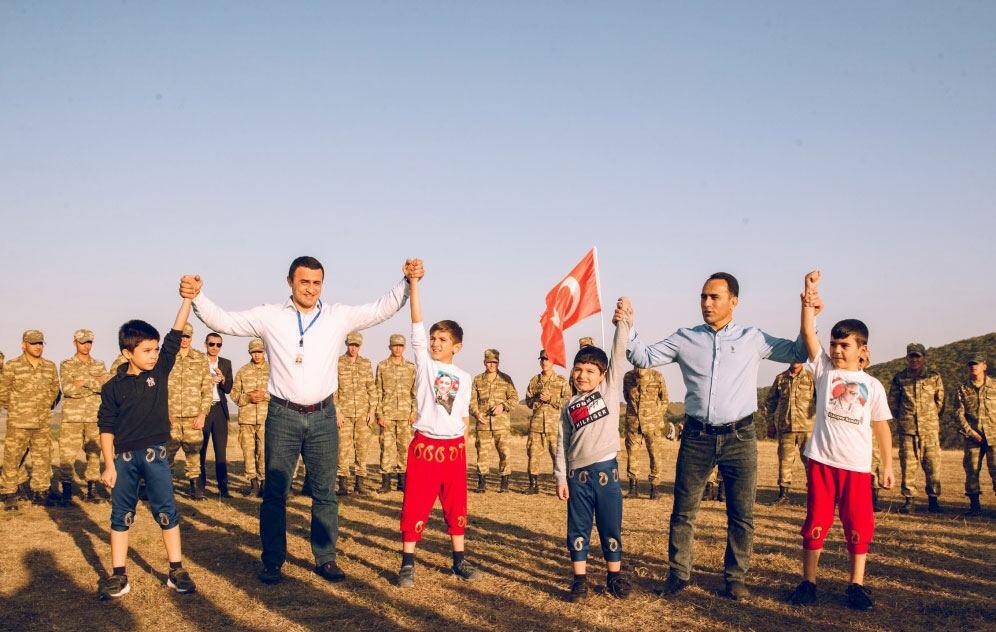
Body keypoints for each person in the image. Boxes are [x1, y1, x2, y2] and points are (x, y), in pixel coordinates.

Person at [182, 255, 413, 585]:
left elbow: (380, 309)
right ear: (290, 281)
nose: (311, 288)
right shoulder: (270, 317)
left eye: (317, 283)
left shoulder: (337, 317)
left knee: (325, 493)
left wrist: (406, 283)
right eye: (304, 281)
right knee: (276, 494)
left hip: (322, 417)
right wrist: (197, 296)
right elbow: (224, 321)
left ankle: (325, 558)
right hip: (283, 415)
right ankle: (273, 560)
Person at [624, 272, 809, 600]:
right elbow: (643, 357)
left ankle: (735, 577)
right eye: (703, 297)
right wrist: (628, 325)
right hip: (696, 437)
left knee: (741, 513)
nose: (707, 303)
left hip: (740, 437)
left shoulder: (753, 338)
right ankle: (678, 574)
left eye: (715, 297)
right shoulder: (685, 338)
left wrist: (808, 311)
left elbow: (798, 351)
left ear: (733, 302)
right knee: (684, 510)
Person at [786, 271, 894, 611]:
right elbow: (807, 332)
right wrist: (809, 297)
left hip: (857, 468)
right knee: (816, 522)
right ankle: (808, 582)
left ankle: (856, 585)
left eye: (844, 345)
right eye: (833, 343)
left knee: (858, 526)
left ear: (862, 349)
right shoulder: (824, 370)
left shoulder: (873, 386)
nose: (836, 349)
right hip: (821, 461)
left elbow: (881, 427)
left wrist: (887, 465)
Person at [96, 296, 198, 599]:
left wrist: (187, 300)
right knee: (121, 516)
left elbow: (175, 333)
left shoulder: (159, 370)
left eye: (155, 350)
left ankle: (176, 569)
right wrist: (109, 464)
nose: (154, 355)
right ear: (128, 353)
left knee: (166, 511)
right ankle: (118, 575)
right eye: (146, 350)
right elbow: (106, 427)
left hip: (156, 455)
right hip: (124, 460)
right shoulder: (112, 387)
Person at [396, 260, 481, 587]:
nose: (434, 343)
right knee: (415, 503)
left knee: (456, 505)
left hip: (453, 451)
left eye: (442, 340)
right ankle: (407, 563)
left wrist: (462, 439)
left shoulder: (466, 377)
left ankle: (459, 561)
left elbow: (461, 414)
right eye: (433, 338)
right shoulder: (425, 366)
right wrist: (414, 284)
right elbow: (416, 323)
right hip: (425, 448)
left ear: (456, 347)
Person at [555, 299, 632, 602]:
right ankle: (580, 580)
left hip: (606, 475)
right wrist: (561, 477)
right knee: (578, 529)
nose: (583, 375)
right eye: (578, 369)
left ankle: (614, 576)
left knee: (610, 526)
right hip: (578, 478)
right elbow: (562, 443)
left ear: (602, 375)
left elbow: (618, 353)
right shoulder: (568, 405)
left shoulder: (609, 390)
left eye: (590, 371)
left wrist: (622, 322)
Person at [0, 330, 61, 509]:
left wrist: (43, 406)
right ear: (23, 344)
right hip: (18, 422)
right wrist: (17, 408)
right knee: (12, 457)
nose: (38, 347)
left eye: (40, 343)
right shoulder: (12, 366)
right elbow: (2, 392)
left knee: (43, 457)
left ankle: (40, 491)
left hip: (42, 421)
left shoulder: (49, 366)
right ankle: (9, 493)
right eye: (34, 343)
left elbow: (55, 390)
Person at [889, 343, 945, 513]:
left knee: (933, 465)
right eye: (911, 356)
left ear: (924, 358)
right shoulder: (899, 378)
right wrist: (905, 419)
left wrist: (931, 419)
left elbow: (940, 402)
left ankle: (933, 501)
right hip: (908, 430)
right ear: (907, 358)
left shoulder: (934, 377)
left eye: (918, 356)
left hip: (929, 429)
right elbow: (893, 403)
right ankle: (909, 500)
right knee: (908, 466)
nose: (915, 359)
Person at [58, 328, 111, 505]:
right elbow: (68, 389)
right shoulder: (66, 364)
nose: (86, 346)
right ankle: (66, 493)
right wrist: (94, 382)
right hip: (72, 418)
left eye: (89, 342)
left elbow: (106, 387)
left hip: (94, 417)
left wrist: (83, 382)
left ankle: (92, 490)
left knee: (94, 454)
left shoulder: (99, 364)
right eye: (82, 342)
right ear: (75, 343)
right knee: (67, 454)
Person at [165, 323, 212, 500]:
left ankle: (196, 491)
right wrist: (164, 412)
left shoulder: (200, 358)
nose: (184, 340)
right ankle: (166, 491)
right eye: (181, 336)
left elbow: (206, 389)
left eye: (187, 336)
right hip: (171, 417)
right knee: (167, 455)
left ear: (191, 337)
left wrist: (202, 414)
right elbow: (160, 387)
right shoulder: (168, 357)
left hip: (193, 417)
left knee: (193, 455)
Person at [763, 362, 816, 504]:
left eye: (798, 358)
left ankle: (814, 496)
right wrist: (770, 423)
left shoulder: (812, 378)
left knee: (811, 463)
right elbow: (770, 402)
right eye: (792, 358)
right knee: (784, 462)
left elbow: (822, 401)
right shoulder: (781, 378)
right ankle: (783, 495)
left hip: (808, 428)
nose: (795, 361)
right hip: (786, 427)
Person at [470, 349, 518, 493]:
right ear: (484, 362)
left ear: (498, 363)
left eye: (494, 362)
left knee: (504, 453)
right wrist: (476, 413)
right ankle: (481, 483)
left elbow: (514, 398)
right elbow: (471, 400)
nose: (491, 365)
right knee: (482, 453)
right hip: (483, 423)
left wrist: (503, 406)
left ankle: (504, 483)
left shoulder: (506, 379)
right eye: (489, 362)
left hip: (501, 424)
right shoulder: (478, 379)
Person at [334, 332, 377, 496]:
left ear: (360, 346)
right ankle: (343, 485)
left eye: (356, 345)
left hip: (362, 413)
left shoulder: (366, 363)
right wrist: (337, 411)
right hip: (344, 413)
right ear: (347, 344)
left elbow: (371, 388)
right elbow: (334, 389)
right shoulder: (338, 362)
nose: (353, 348)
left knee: (362, 448)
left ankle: (360, 483)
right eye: (351, 345)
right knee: (343, 449)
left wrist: (372, 410)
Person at [524, 350, 571, 494]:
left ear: (553, 362)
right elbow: (528, 401)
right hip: (537, 425)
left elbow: (568, 402)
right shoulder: (534, 381)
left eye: (548, 360)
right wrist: (537, 398)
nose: (545, 362)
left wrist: (551, 399)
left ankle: (562, 484)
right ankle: (533, 485)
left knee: (558, 456)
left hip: (554, 425)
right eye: (542, 360)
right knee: (533, 454)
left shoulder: (561, 380)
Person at [375, 334, 416, 494]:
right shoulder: (382, 366)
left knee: (404, 448)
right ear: (390, 347)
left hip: (406, 415)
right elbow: (377, 391)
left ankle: (402, 482)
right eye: (395, 346)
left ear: (404, 348)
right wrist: (379, 414)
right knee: (386, 447)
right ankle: (386, 482)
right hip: (387, 414)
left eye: (400, 346)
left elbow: (415, 392)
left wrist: (414, 412)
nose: (398, 348)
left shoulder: (411, 367)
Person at [954, 352, 994, 516]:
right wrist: (971, 433)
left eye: (977, 363)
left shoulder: (995, 386)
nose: (974, 366)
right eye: (971, 363)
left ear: (984, 365)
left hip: (994, 436)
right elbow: (958, 414)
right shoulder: (963, 388)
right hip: (973, 438)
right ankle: (975, 507)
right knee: (971, 471)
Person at [622, 365, 669, 499]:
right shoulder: (628, 377)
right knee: (632, 454)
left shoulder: (657, 376)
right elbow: (627, 396)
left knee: (655, 455)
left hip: (652, 423)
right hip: (633, 422)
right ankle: (633, 487)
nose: (638, 369)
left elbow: (664, 400)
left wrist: (656, 416)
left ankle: (655, 488)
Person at [231, 339, 269, 497]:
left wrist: (265, 396)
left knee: (264, 452)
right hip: (246, 419)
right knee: (248, 451)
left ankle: (265, 483)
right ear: (250, 353)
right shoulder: (243, 371)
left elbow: (282, 393)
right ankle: (253, 484)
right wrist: (247, 397)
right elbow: (233, 394)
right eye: (254, 352)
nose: (257, 355)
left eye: (259, 351)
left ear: (264, 352)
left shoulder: (273, 370)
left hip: (266, 418)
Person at [199, 332, 233, 497]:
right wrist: (208, 382)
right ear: (205, 344)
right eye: (212, 344)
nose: (215, 348)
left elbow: (228, 389)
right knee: (201, 449)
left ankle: (223, 489)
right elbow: (192, 385)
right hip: (203, 410)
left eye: (218, 345)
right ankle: (200, 488)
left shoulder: (226, 363)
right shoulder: (198, 361)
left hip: (220, 409)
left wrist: (223, 379)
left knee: (221, 451)